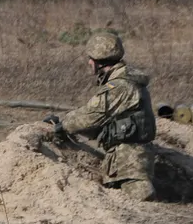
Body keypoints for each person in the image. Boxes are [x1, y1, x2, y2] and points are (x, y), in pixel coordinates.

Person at [43, 31, 157, 201]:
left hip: (130, 164)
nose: (89, 62)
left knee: (140, 205)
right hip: (126, 159)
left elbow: (91, 116)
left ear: (100, 61)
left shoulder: (120, 86)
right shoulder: (125, 80)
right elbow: (97, 116)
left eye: (92, 59)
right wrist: (65, 119)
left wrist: (61, 127)